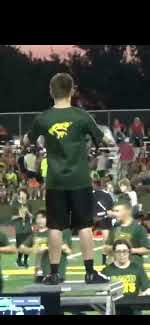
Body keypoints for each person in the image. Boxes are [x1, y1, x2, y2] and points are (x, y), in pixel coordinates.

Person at [23, 73, 113, 285]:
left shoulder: (43, 118)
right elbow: (104, 139)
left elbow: (28, 139)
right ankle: (90, 272)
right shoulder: (82, 116)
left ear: (50, 92)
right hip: (80, 180)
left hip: (55, 181)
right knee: (84, 226)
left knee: (55, 226)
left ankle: (54, 273)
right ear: (72, 91)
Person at [102, 239, 150, 315]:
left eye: (124, 251)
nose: (122, 254)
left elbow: (149, 289)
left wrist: (143, 295)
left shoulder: (137, 268)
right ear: (114, 253)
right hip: (114, 310)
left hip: (134, 310)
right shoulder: (107, 271)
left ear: (129, 252)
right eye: (118, 251)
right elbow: (100, 292)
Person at [19, 210, 73, 283]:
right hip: (40, 273)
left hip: (57, 273)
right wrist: (33, 250)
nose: (40, 220)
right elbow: (21, 248)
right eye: (38, 218)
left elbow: (68, 251)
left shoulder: (57, 232)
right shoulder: (35, 234)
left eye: (43, 218)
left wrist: (50, 247)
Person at [104, 201, 150, 266]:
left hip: (134, 268)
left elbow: (147, 250)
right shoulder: (115, 228)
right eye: (114, 211)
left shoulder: (138, 228)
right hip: (116, 268)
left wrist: (130, 250)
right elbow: (107, 248)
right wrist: (114, 249)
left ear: (127, 212)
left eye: (117, 211)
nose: (114, 214)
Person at [94, 181, 115, 265]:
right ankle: (104, 262)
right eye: (108, 187)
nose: (110, 189)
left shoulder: (110, 195)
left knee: (111, 241)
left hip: (112, 219)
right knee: (106, 240)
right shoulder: (104, 195)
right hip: (105, 220)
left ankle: (110, 260)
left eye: (111, 187)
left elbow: (113, 209)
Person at [11, 188, 33, 268]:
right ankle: (19, 260)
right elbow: (12, 217)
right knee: (20, 245)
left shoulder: (28, 204)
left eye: (24, 193)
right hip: (19, 227)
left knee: (28, 244)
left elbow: (31, 216)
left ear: (26, 195)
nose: (22, 195)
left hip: (27, 227)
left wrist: (27, 212)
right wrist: (19, 215)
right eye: (21, 193)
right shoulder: (15, 204)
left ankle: (26, 261)